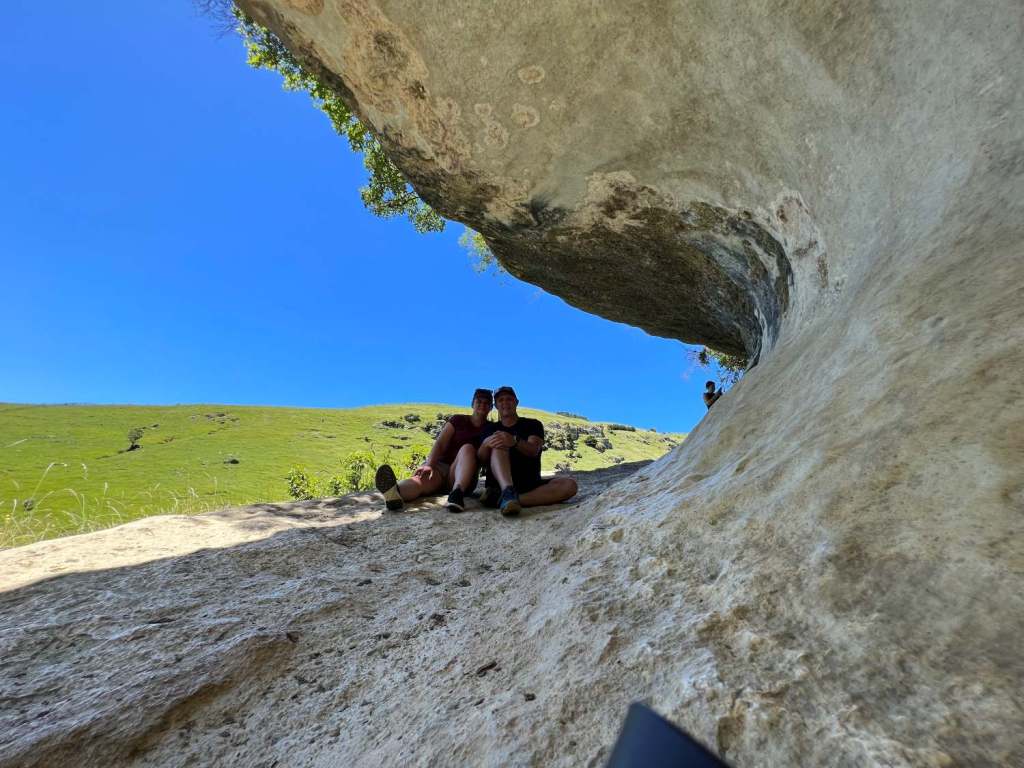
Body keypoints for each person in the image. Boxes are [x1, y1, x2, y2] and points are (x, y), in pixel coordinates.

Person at [374, 388, 493, 513]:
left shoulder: (491, 428)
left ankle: (457, 494)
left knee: (467, 448)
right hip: (440, 469)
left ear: (490, 407)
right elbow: (440, 443)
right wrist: (429, 464)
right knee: (420, 480)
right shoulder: (457, 420)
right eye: (479, 401)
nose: (482, 405)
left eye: (486, 403)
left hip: (464, 475)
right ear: (472, 404)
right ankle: (395, 493)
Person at [477, 386, 578, 516]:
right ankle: (507, 491)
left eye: (509, 399)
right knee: (499, 443)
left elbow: (534, 450)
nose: (505, 403)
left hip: (530, 485)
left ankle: (506, 499)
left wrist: (514, 441)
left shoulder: (532, 424)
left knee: (570, 485)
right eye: (500, 400)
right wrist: (486, 444)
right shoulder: (490, 429)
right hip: (498, 485)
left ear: (516, 402)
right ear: (496, 405)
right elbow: (481, 459)